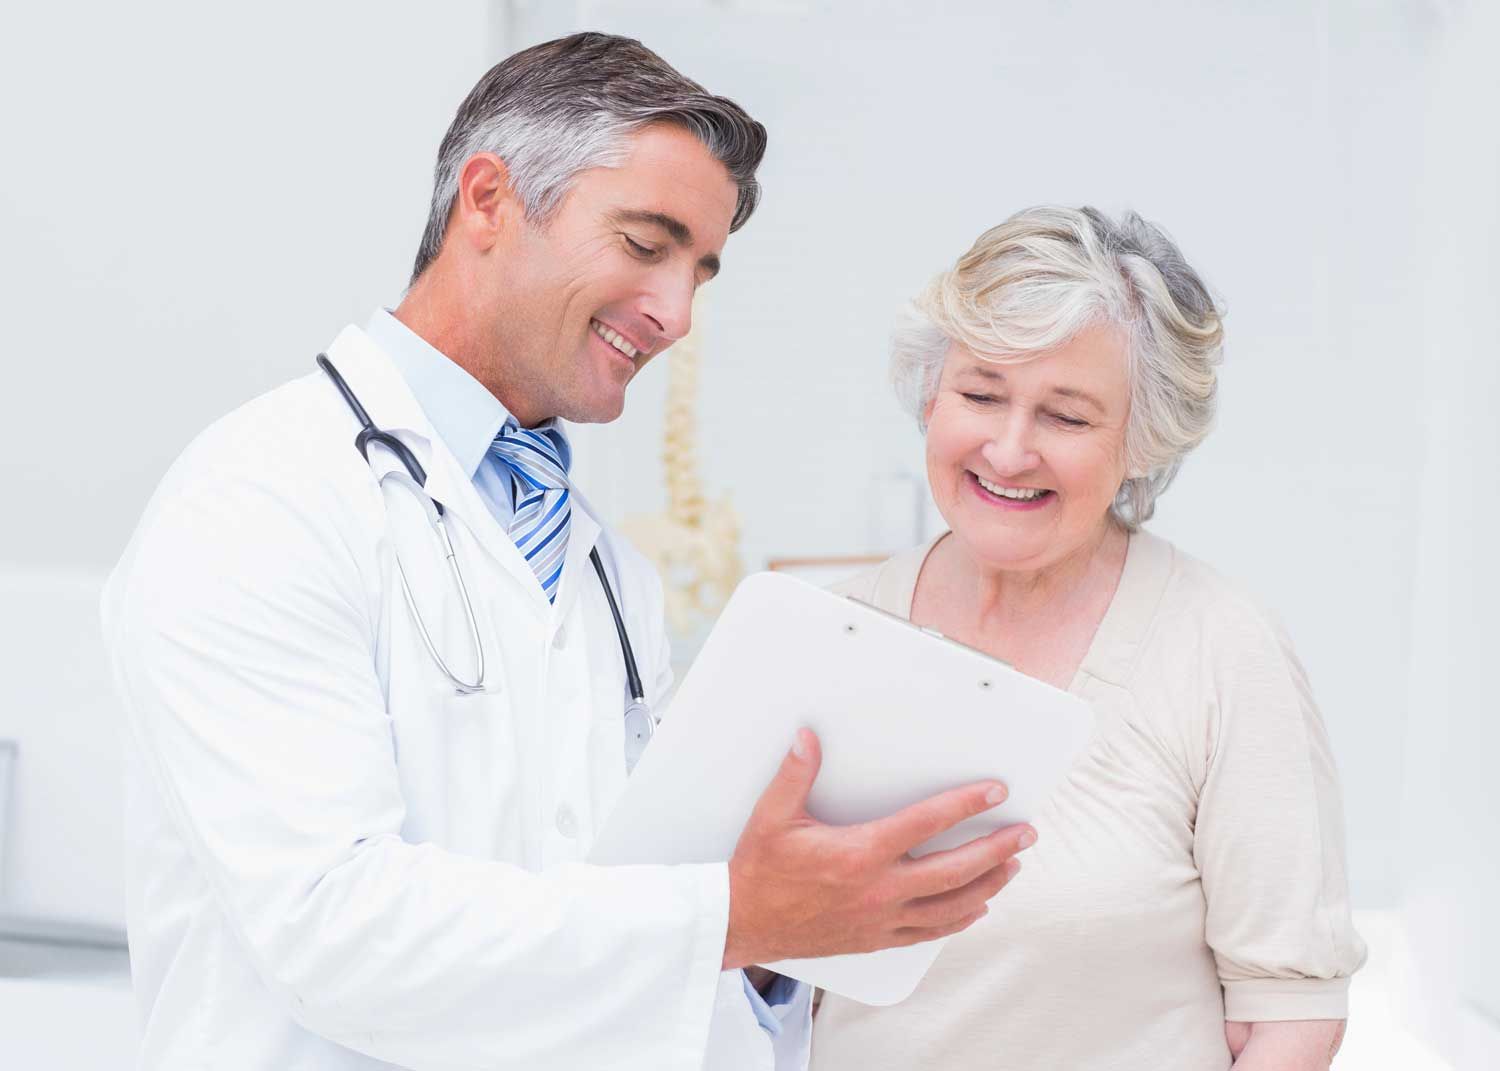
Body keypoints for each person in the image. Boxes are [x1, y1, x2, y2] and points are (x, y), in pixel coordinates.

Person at [100, 33, 1034, 1071]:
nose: (677, 313)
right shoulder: (263, 498)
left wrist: (783, 944)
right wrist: (732, 919)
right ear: (489, 201)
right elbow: (334, 933)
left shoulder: (604, 572)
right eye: (645, 244)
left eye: (700, 270)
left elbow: (617, 932)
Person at [809, 206, 1366, 1070]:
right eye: (981, 394)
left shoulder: (1221, 648)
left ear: (1141, 442)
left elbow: (1290, 1016)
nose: (1008, 448)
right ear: (931, 394)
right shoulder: (832, 630)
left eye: (1066, 417)